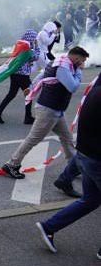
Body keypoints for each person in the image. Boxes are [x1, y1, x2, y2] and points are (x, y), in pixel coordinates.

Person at [35, 73, 100, 259]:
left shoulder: (94, 91)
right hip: (96, 159)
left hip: (84, 155)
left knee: (91, 199)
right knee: (90, 199)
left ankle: (49, 226)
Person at [1, 47, 89, 180]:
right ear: (76, 59)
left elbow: (41, 75)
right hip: (49, 110)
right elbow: (73, 87)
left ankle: (74, 167)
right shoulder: (63, 67)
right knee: (33, 139)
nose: (82, 63)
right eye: (81, 61)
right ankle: (12, 164)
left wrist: (30, 87)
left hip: (55, 109)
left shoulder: (58, 61)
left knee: (67, 139)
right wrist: (79, 71)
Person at [0, 30, 40, 125]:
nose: (35, 40)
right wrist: (37, 46)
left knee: (12, 93)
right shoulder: (27, 48)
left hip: (14, 73)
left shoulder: (19, 45)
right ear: (31, 38)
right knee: (29, 94)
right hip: (23, 75)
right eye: (34, 38)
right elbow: (36, 57)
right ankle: (28, 117)